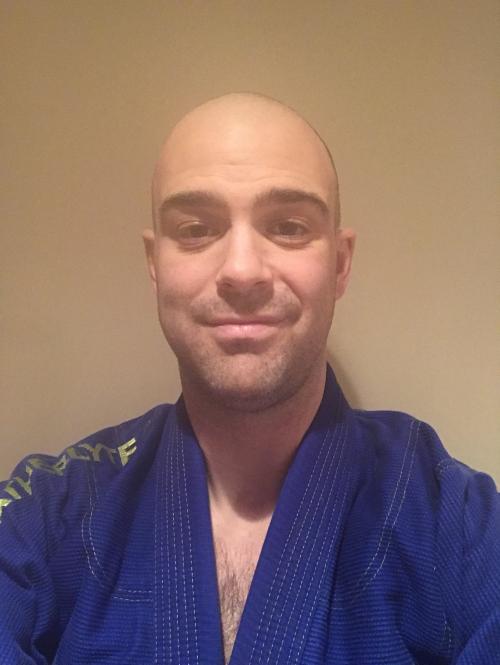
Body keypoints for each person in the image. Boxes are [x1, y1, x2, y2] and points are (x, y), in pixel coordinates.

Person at [0, 93, 498, 665]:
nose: (241, 270)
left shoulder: (452, 519)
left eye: (288, 227)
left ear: (340, 264)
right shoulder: (50, 511)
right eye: (195, 229)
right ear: (155, 264)